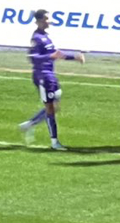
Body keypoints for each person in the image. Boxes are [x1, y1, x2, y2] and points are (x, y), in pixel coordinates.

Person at [18, 8, 85, 151]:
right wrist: (50, 57)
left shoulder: (46, 37)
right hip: (42, 76)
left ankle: (30, 124)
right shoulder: (36, 38)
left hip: (50, 75)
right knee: (50, 108)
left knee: (55, 105)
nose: (50, 21)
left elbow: (57, 54)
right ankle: (54, 142)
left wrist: (74, 57)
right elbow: (33, 58)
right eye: (47, 19)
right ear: (40, 20)